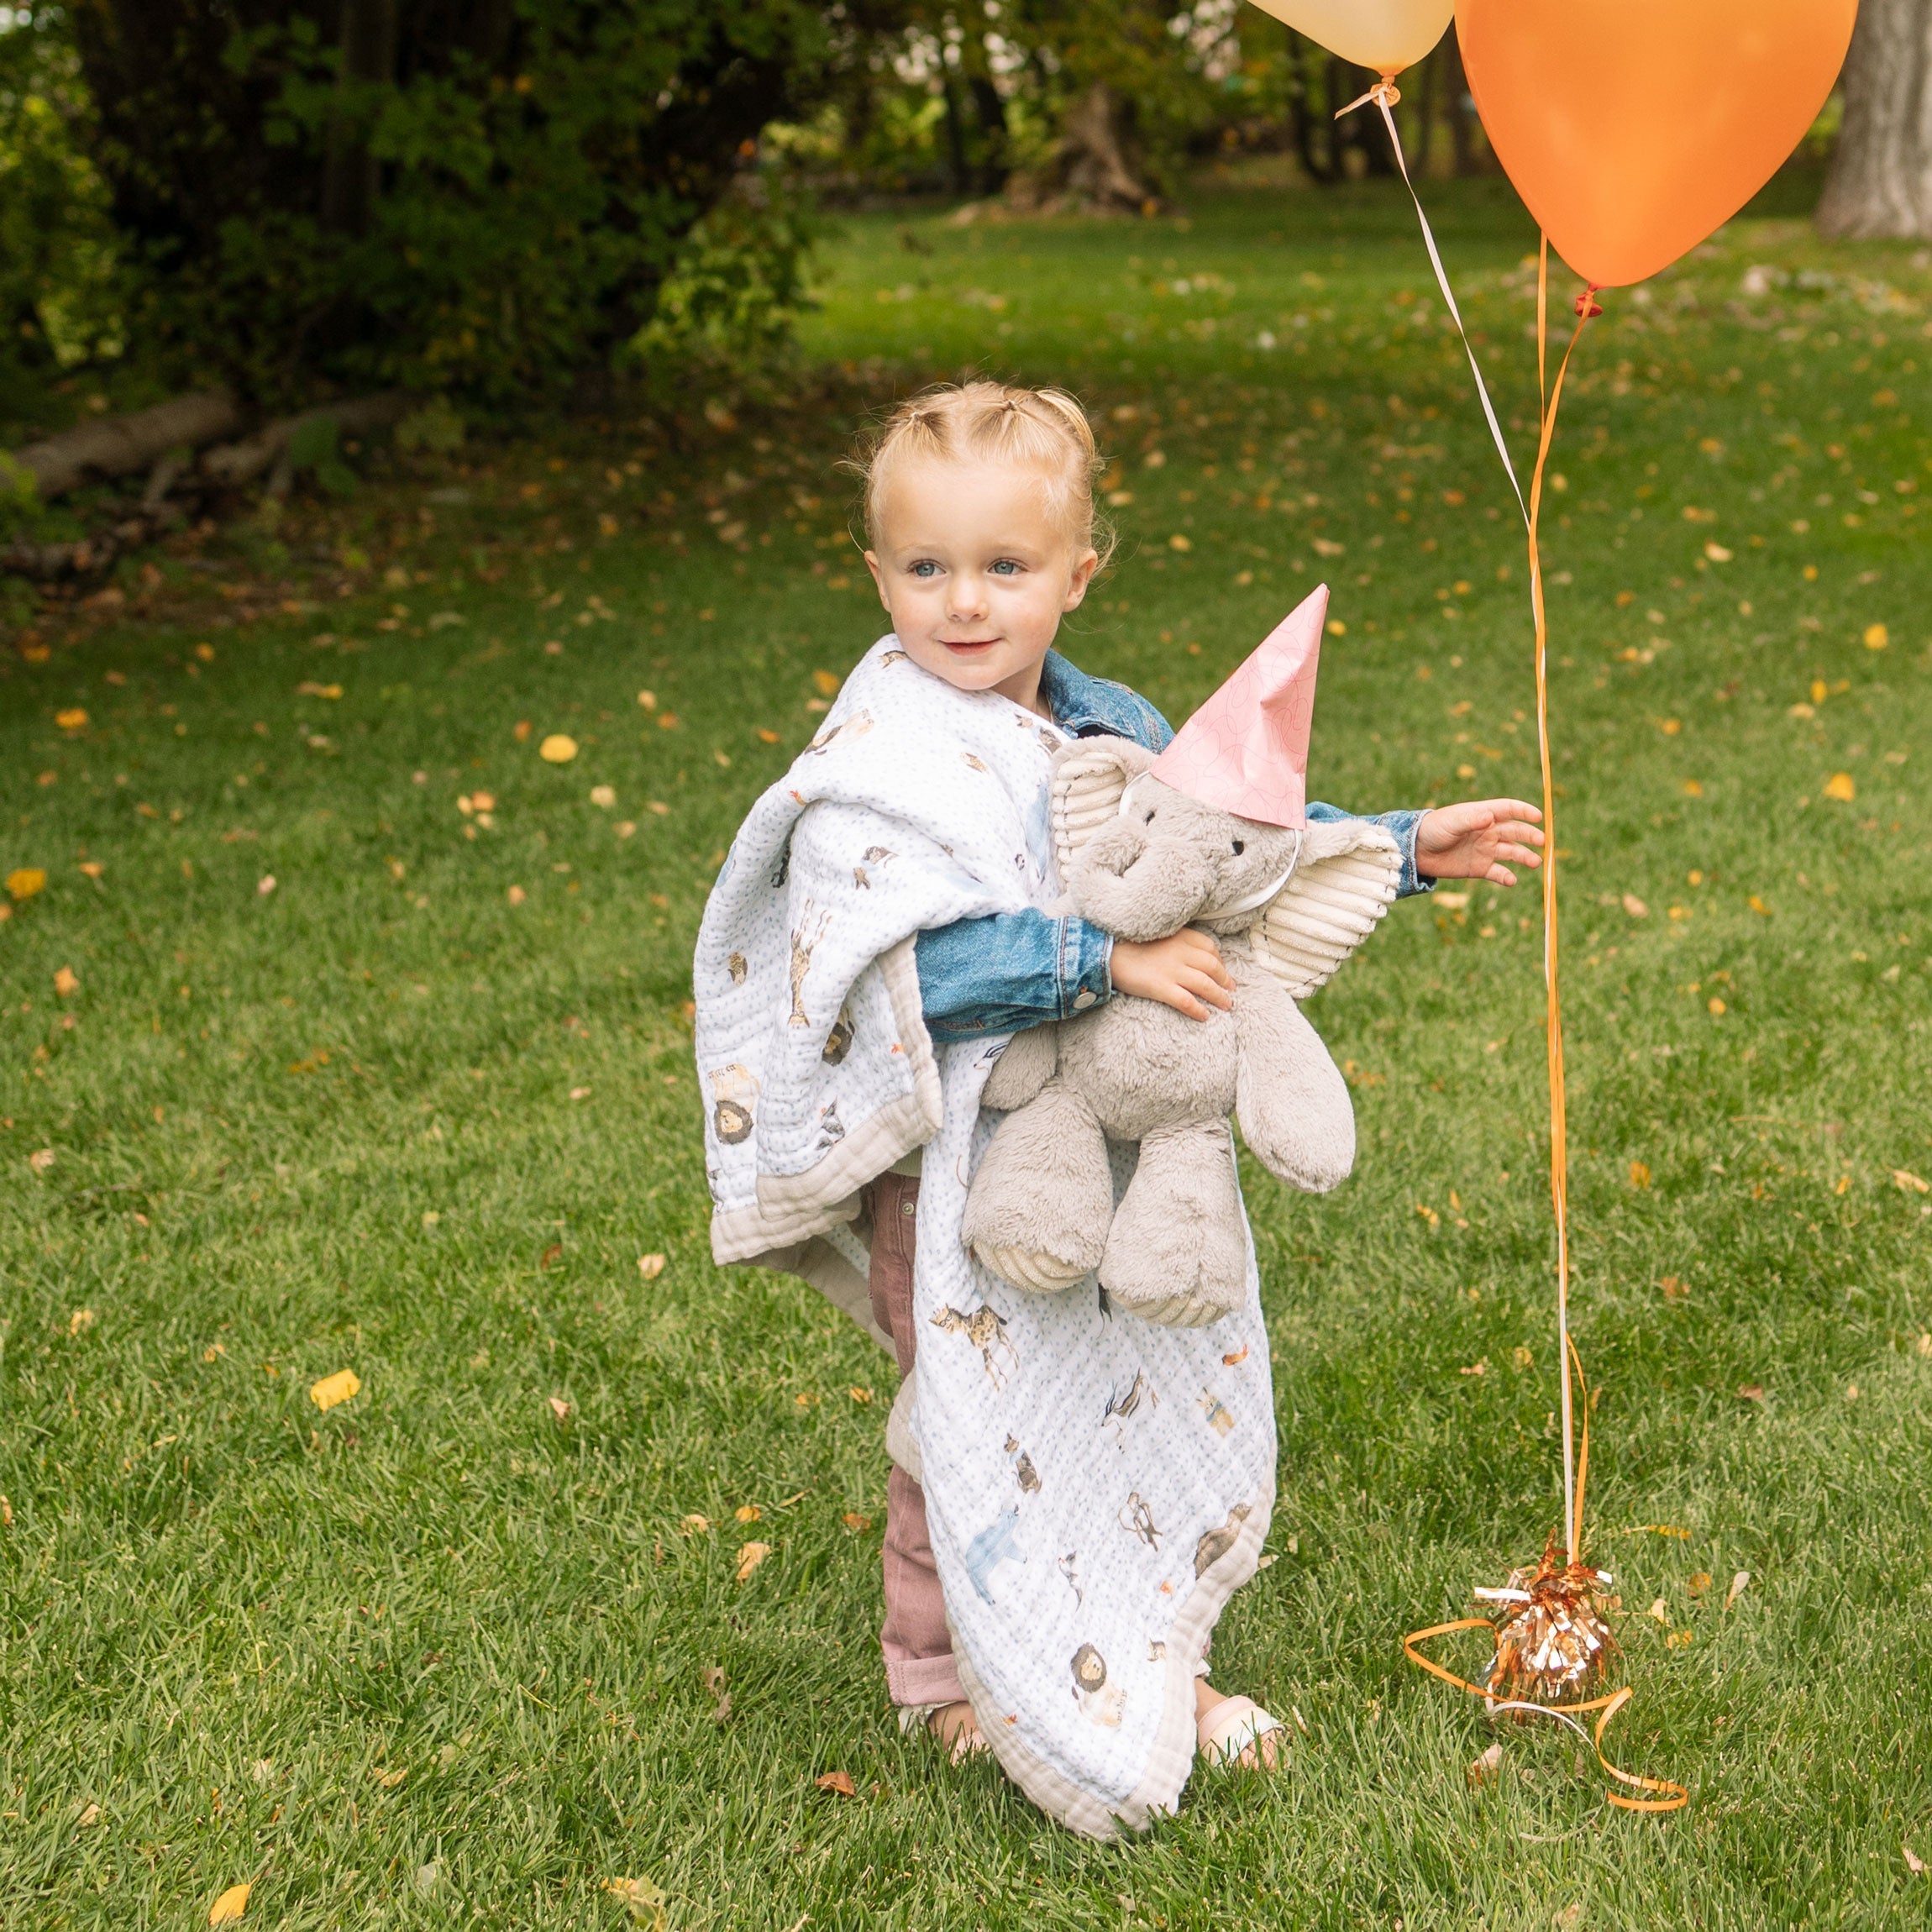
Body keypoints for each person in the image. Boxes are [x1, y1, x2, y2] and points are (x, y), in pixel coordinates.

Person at [696, 380, 1541, 1813]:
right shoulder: (877, 768)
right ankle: (943, 1673)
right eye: (926, 569)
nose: (965, 603)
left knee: (1124, 1391)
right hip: (959, 1166)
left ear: (1079, 574)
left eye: (1006, 568)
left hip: (1117, 1150)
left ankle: (1148, 1652)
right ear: (876, 573)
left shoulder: (1111, 726)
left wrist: (1401, 845)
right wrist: (1103, 962)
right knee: (965, 1406)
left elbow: (1231, 845)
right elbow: (909, 975)